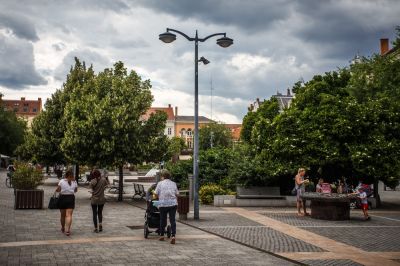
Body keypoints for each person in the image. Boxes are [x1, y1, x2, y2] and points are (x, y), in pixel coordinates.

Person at [155, 170, 179, 244]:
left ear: (163, 177)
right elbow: (177, 194)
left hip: (163, 204)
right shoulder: (174, 183)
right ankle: (173, 236)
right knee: (172, 220)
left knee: (162, 219)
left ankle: (162, 236)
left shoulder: (160, 183)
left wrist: (159, 198)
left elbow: (155, 194)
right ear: (169, 177)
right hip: (173, 204)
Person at [56, 169, 78, 236]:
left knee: (63, 215)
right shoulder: (74, 182)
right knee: (69, 215)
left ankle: (63, 228)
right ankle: (68, 230)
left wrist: (59, 189)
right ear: (72, 176)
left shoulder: (61, 181)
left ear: (66, 175)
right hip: (71, 198)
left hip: (62, 198)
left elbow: (58, 190)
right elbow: (76, 190)